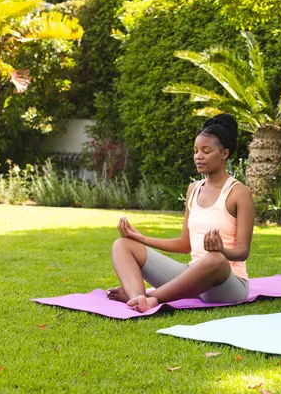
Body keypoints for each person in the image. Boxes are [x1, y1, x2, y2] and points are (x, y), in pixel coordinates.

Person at [107, 113, 255, 312]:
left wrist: (221, 250)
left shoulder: (239, 193)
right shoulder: (194, 189)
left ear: (224, 154)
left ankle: (152, 297)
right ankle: (137, 298)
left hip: (227, 283)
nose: (198, 156)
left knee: (214, 259)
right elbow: (184, 244)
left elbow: (242, 252)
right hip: (192, 276)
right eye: (195, 151)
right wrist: (140, 238)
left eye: (206, 150)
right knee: (122, 245)